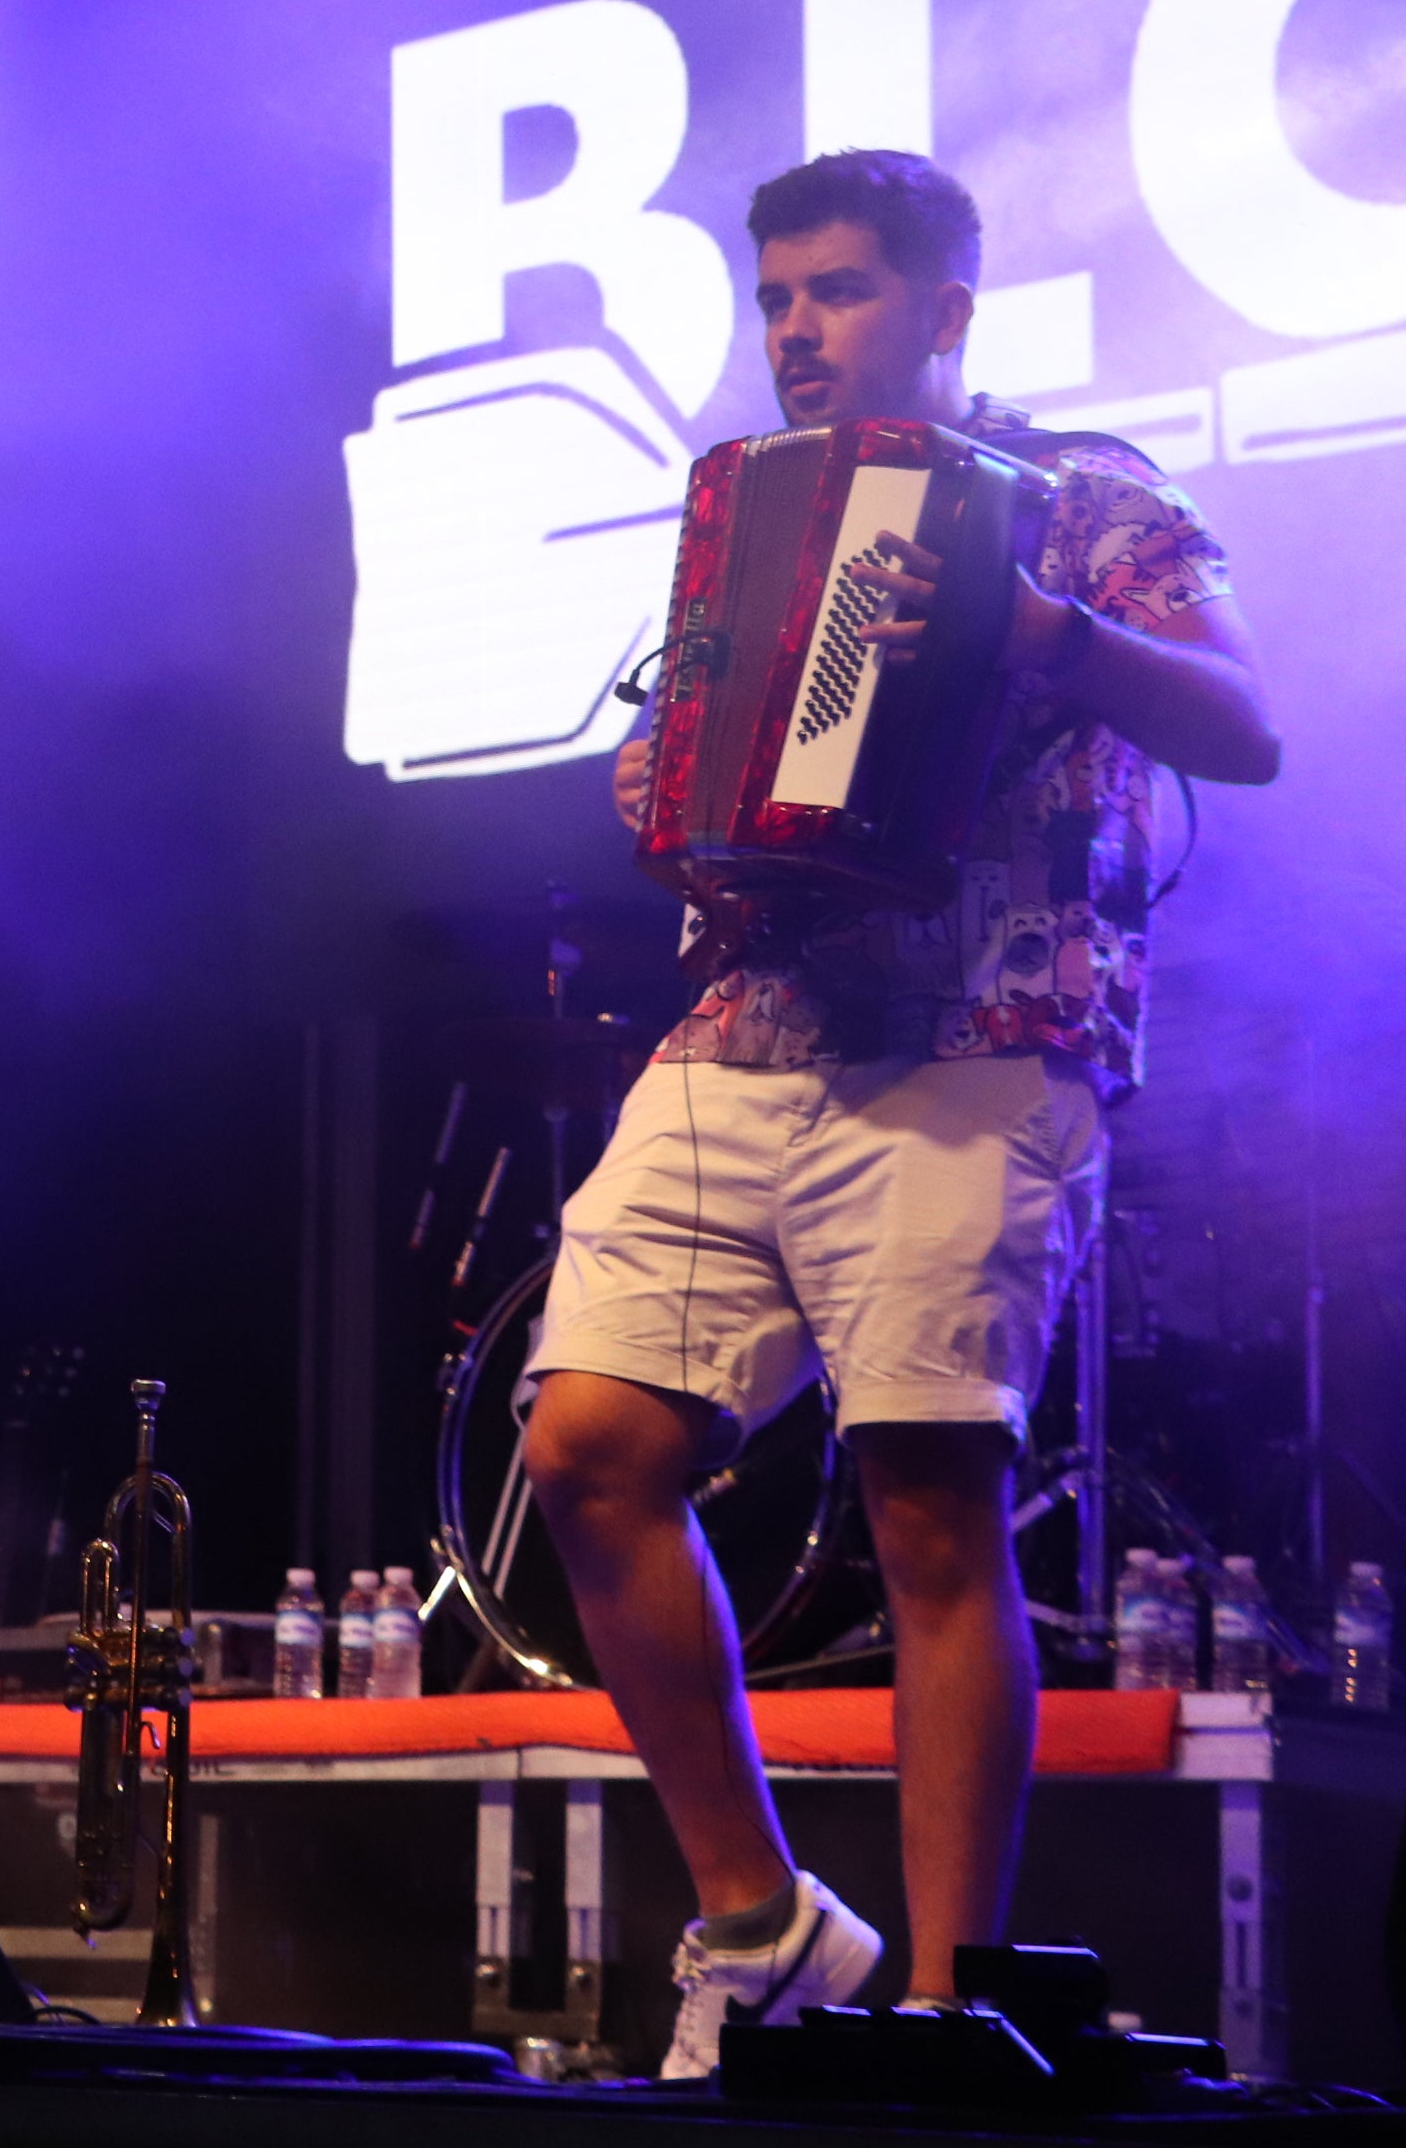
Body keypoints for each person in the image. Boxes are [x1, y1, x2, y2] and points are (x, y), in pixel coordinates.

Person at [524, 152, 1280, 2074]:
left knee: (926, 1503)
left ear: (940, 311)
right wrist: (656, 788)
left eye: (837, 293)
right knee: (583, 1446)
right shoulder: (740, 515)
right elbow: (670, 741)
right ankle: (763, 1926)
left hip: (978, 1027)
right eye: (774, 296)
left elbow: (1240, 725)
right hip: (751, 1022)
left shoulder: (1082, 500)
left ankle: (942, 2011)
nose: (794, 330)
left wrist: (1044, 632)